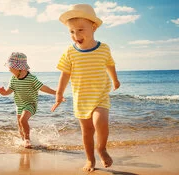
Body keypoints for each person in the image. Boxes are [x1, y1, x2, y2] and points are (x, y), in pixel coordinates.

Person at [51, 4, 121, 172]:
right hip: (81, 99)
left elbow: (110, 65)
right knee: (87, 132)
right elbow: (65, 74)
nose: (76, 35)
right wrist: (59, 94)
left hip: (100, 96)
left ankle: (101, 148)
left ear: (93, 27)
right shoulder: (70, 52)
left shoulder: (103, 48)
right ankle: (90, 160)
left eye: (80, 30)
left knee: (100, 122)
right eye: (72, 32)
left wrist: (115, 80)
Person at [0, 52, 56, 148]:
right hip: (19, 105)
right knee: (20, 124)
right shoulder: (13, 79)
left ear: (19, 68)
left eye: (11, 67)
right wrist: (3, 92)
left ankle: (27, 140)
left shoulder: (31, 78)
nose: (9, 69)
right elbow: (9, 91)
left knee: (23, 120)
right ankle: (23, 141)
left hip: (30, 104)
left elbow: (42, 87)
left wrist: (56, 93)